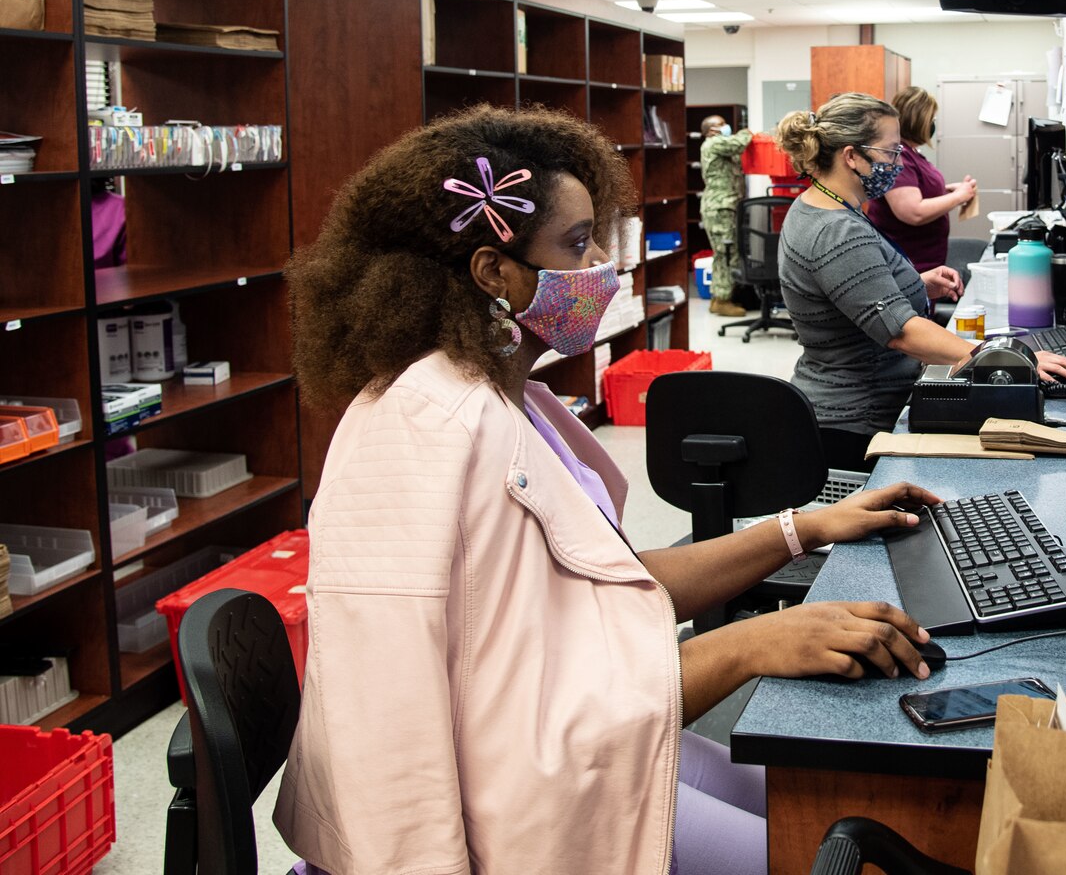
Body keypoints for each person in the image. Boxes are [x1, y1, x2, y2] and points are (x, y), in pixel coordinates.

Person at [274, 104, 940, 875]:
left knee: (824, 802)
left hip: (562, 762)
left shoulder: (507, 399)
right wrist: (755, 643)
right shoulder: (424, 431)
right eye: (576, 244)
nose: (601, 269)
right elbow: (434, 723)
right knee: (829, 853)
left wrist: (805, 528)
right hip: (506, 811)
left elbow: (610, 592)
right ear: (494, 272)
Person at [776, 93, 1066, 471]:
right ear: (851, 156)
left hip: (852, 404)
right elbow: (901, 333)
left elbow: (848, 295)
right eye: (891, 152)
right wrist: (1006, 359)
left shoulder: (820, 206)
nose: (898, 162)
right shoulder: (837, 230)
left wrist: (915, 284)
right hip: (859, 419)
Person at [866, 86, 976, 275]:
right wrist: (958, 197)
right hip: (908, 265)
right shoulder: (898, 156)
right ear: (919, 120)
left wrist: (949, 192)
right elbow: (913, 212)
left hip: (924, 262)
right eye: (931, 119)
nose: (933, 125)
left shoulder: (911, 152)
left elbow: (917, 191)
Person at [698, 114, 750, 318]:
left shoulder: (718, 145)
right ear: (711, 130)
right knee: (728, 253)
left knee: (722, 253)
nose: (726, 126)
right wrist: (747, 133)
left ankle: (718, 297)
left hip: (724, 207)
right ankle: (723, 299)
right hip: (720, 208)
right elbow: (738, 143)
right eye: (721, 124)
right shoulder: (713, 143)